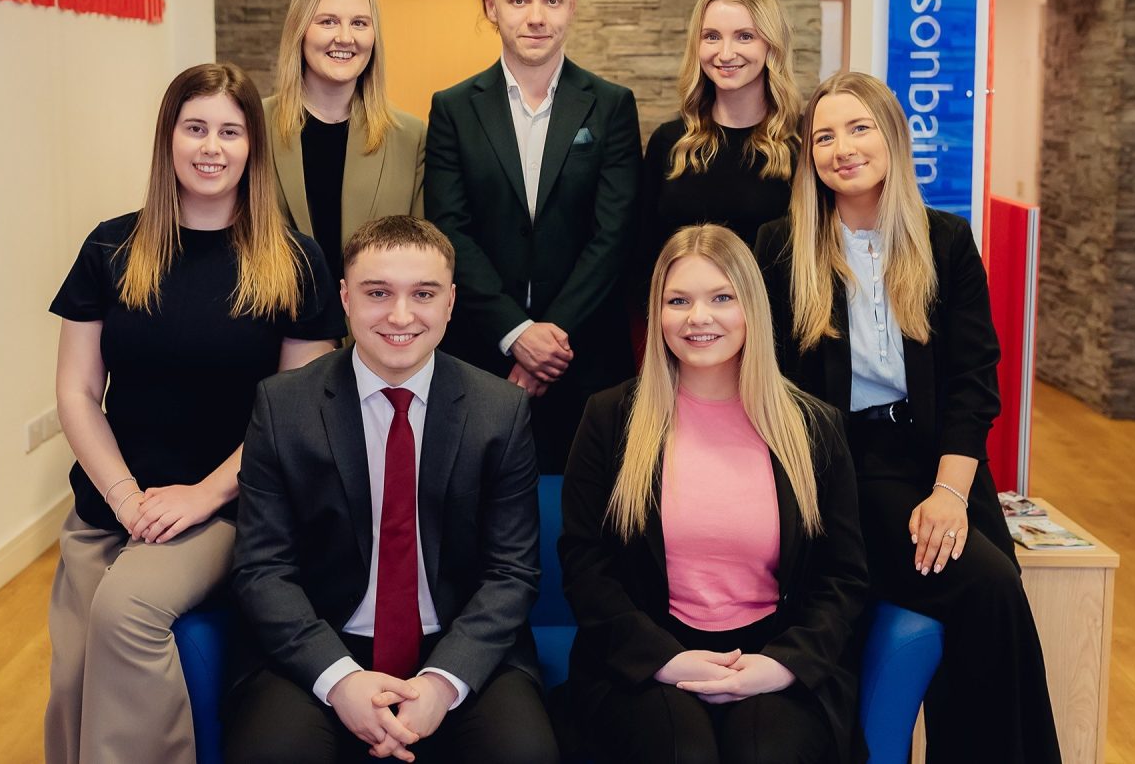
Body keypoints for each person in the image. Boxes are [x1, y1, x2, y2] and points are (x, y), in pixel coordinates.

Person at [754, 71, 1062, 763]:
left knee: (996, 593)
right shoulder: (781, 245)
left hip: (938, 462)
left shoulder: (944, 241)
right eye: (824, 136)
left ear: (892, 136)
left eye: (859, 128)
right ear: (809, 156)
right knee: (984, 588)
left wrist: (951, 495)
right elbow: (771, 387)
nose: (842, 148)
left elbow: (973, 381)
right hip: (842, 467)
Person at [44, 63, 343, 764]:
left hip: (226, 506)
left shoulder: (294, 260)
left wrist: (199, 496)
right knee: (72, 673)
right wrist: (123, 497)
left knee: (126, 612)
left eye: (230, 132)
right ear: (168, 139)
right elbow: (76, 392)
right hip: (111, 506)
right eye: (196, 128)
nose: (212, 147)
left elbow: (295, 416)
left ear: (253, 147)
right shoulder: (111, 247)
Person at [225, 215, 558, 764]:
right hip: (322, 641)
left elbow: (512, 572)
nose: (400, 315)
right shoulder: (283, 406)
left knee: (524, 753)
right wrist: (339, 680)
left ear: (450, 302)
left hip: (457, 642)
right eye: (377, 293)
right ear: (345, 298)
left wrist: (442, 683)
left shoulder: (500, 411)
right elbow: (262, 570)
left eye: (422, 294)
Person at [560, 223, 869, 764]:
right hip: (646, 661)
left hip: (776, 655)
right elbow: (586, 565)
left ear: (751, 307)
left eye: (720, 298)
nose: (698, 318)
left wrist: (783, 664)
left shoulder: (813, 426)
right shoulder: (610, 418)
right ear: (657, 314)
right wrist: (665, 660)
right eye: (678, 300)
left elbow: (842, 577)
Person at [424, 0, 643, 474]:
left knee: (586, 525)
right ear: (492, 7)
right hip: (479, 354)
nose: (536, 16)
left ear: (571, 6)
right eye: (519, 1)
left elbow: (614, 234)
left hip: (587, 359)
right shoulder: (452, 109)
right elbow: (450, 230)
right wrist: (515, 333)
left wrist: (550, 339)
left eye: (551, 0)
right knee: (479, 520)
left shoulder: (612, 105)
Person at [266, 0, 425, 285]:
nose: (345, 37)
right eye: (327, 22)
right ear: (300, 30)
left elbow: (420, 257)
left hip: (374, 331)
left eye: (360, 23)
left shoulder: (411, 137)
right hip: (278, 327)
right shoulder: (253, 124)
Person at [638, 0, 801, 270]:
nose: (725, 54)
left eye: (745, 36)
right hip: (687, 314)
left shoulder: (802, 141)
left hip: (778, 314)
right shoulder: (669, 141)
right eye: (712, 36)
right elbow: (643, 253)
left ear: (771, 45)